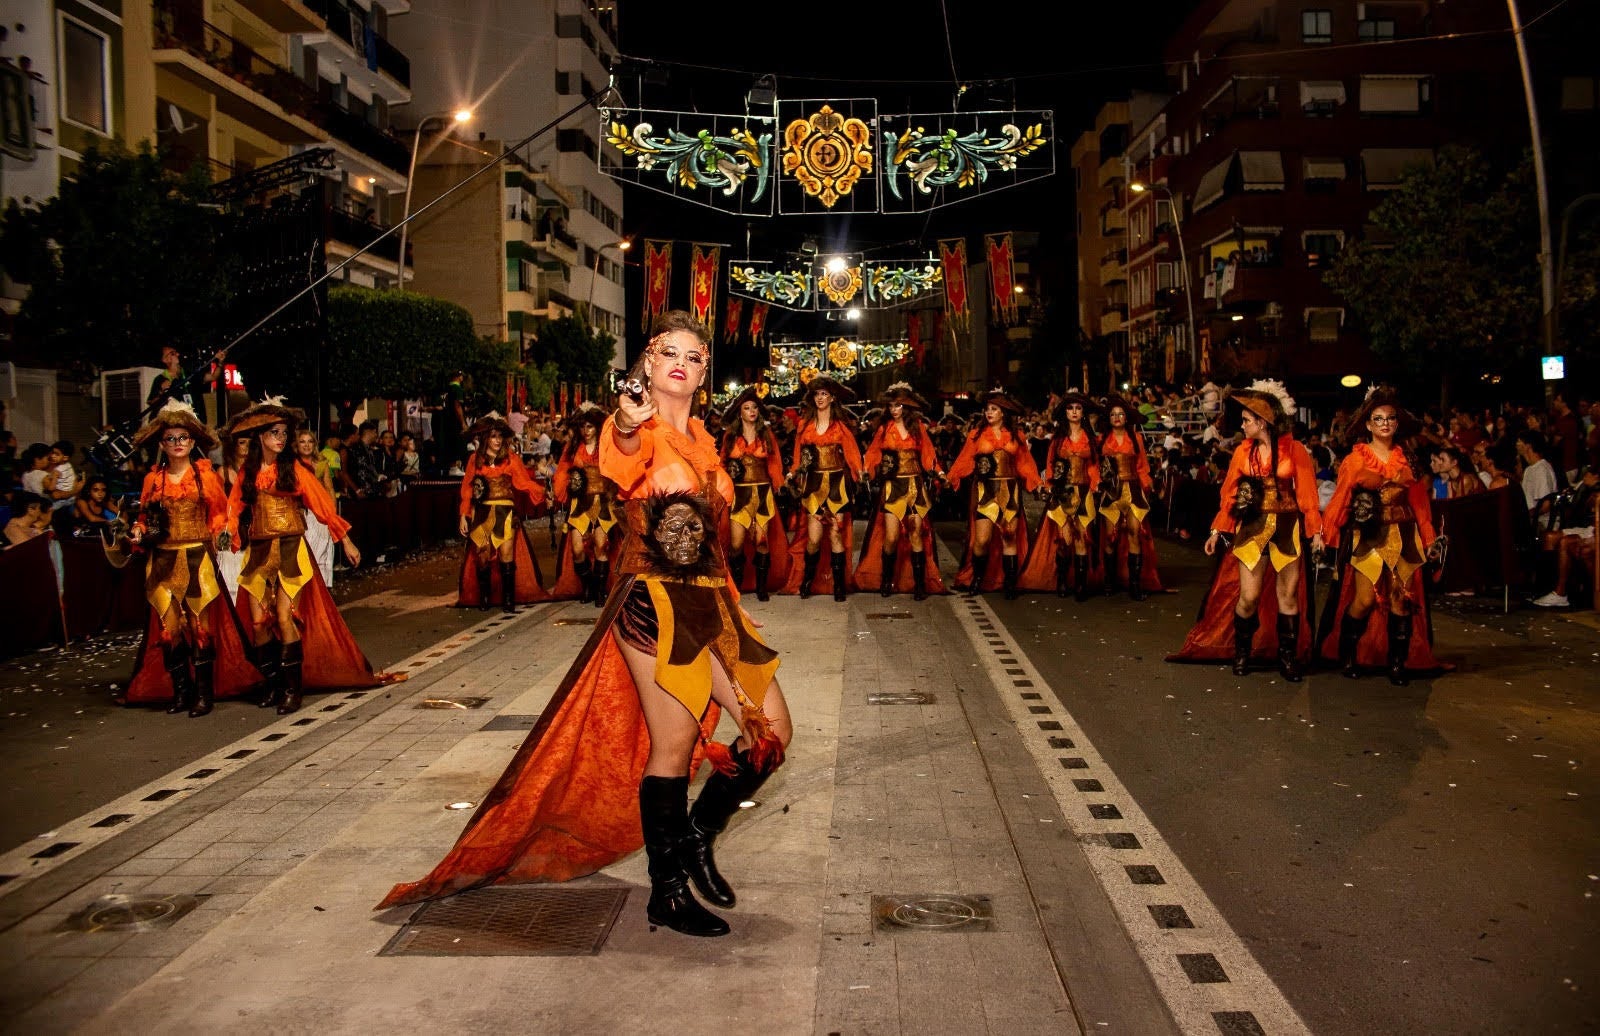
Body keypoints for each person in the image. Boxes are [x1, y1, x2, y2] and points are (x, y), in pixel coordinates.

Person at [377, 311, 793, 939]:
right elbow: (621, 456)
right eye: (669, 352)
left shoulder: (707, 441)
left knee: (774, 731)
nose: (682, 363)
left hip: (711, 601)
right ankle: (667, 891)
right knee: (675, 745)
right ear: (648, 363)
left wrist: (733, 603)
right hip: (652, 602)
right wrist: (624, 418)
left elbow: (710, 543)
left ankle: (697, 835)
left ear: (705, 371)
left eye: (694, 356)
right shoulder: (637, 428)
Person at [224, 398, 395, 714]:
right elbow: (234, 509)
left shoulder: (295, 470)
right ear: (261, 435)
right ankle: (273, 684)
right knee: (259, 623)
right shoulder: (248, 472)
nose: (281, 438)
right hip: (259, 553)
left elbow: (322, 506)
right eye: (274, 432)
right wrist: (227, 532)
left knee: (285, 616)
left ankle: (293, 689)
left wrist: (346, 542)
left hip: (291, 549)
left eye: (284, 433)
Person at [1169, 381, 1321, 680]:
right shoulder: (1242, 452)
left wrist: (1316, 532)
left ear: (1262, 422)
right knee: (1248, 597)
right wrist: (1217, 531)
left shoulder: (1295, 450)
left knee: (1288, 596)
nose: (1242, 425)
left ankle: (1287, 658)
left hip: (1287, 528)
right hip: (1252, 527)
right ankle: (1242, 652)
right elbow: (1229, 494)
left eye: (1246, 420)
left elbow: (1308, 495)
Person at [121, 401, 260, 716]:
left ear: (192, 441)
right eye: (170, 438)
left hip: (197, 557)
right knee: (170, 628)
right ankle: (181, 692)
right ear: (162, 444)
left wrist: (222, 533)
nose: (177, 443)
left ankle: (203, 694)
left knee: (199, 626)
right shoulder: (153, 480)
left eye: (182, 437)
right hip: (162, 561)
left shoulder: (205, 476)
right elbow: (144, 517)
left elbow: (221, 514)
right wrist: (138, 530)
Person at [1316, 386, 1448, 685]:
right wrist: (1323, 535)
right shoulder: (1355, 460)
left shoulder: (1408, 459)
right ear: (1368, 424)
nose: (1385, 423)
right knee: (1364, 600)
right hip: (1369, 535)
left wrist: (1430, 541)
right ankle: (1347, 655)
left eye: (1390, 418)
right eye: (1378, 418)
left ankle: (1397, 664)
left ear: (1397, 423)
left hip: (1405, 535)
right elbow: (1340, 500)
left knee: (1400, 600)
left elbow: (1420, 506)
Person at [854, 382, 947, 600]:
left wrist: (939, 472)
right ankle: (886, 580)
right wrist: (866, 470)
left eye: (899, 405)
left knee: (916, 533)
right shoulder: (884, 429)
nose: (894, 409)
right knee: (891, 537)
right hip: (892, 487)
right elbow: (873, 454)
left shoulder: (918, 428)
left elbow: (928, 454)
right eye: (891, 405)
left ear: (907, 406)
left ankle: (919, 585)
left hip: (915, 485)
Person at [947, 390, 1041, 599]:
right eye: (987, 409)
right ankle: (977, 580)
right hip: (986, 491)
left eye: (994, 409)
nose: (989, 412)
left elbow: (1025, 463)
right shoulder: (976, 434)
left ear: (1003, 413)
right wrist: (951, 476)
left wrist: (1037, 482)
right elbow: (965, 459)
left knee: (1009, 536)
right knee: (982, 540)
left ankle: (1009, 584)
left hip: (1010, 490)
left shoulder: (1017, 436)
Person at [456, 412, 549, 613]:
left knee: (506, 554)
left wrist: (544, 492)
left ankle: (508, 599)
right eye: (493, 436)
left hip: (505, 512)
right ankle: (485, 596)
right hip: (482, 512)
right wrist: (464, 515)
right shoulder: (475, 459)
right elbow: (467, 489)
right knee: (482, 554)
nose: (497, 440)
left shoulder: (511, 459)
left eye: (500, 436)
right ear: (485, 438)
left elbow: (523, 482)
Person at [784, 376, 862, 601]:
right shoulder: (805, 426)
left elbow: (853, 455)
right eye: (817, 394)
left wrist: (860, 474)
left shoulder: (840, 427)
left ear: (832, 398)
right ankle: (807, 581)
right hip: (813, 485)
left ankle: (838, 587)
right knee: (814, 539)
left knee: (836, 533)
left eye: (824, 394)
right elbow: (798, 456)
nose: (820, 398)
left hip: (837, 484)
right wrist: (793, 473)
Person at [1018, 392, 1102, 600]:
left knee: (1082, 538)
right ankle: (1062, 581)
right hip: (1061, 493)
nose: (1074, 412)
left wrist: (1096, 485)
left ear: (1083, 412)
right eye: (1070, 408)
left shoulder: (1091, 439)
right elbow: (1049, 464)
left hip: (1083, 492)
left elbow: (1094, 467)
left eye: (1078, 408)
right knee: (1064, 539)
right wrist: (1047, 485)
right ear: (1065, 412)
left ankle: (1081, 586)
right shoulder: (1057, 440)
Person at [719, 387, 790, 601]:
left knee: (762, 542)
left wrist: (779, 485)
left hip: (762, 494)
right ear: (739, 413)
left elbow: (774, 463)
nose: (752, 411)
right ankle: (737, 586)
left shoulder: (765, 435)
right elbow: (722, 464)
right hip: (739, 495)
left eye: (754, 408)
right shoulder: (730, 436)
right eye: (747, 408)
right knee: (736, 545)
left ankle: (761, 588)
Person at [549, 403, 619, 605]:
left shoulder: (606, 447)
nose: (586, 431)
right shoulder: (572, 448)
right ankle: (588, 585)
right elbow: (562, 472)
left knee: (600, 545)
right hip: (579, 503)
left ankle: (600, 592)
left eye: (590, 426)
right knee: (577, 549)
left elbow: (617, 470)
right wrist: (557, 492)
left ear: (596, 427)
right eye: (582, 426)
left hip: (603, 501)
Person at [1097, 395, 1163, 600]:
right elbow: (1097, 468)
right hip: (1111, 493)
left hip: (1133, 490)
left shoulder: (1137, 438)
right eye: (1113, 414)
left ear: (1126, 418)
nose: (1117, 417)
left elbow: (1142, 466)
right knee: (1110, 537)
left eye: (1121, 414)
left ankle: (1135, 585)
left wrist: (1148, 486)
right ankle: (1109, 581)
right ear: (1109, 418)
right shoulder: (1101, 440)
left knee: (1135, 534)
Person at [1531, 468, 1599, 608]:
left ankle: (1561, 592)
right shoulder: (1584, 488)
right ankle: (1550, 589)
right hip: (1588, 527)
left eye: (1588, 474)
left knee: (1571, 544)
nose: (1585, 476)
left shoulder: (1595, 490)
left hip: (1592, 529)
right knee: (1551, 537)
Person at [294, 429, 336, 587]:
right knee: (304, 555)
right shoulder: (292, 465)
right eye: (302, 442)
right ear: (297, 445)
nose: (306, 445)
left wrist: (332, 515)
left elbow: (329, 489)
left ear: (315, 444)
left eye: (310, 441)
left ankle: (321, 590)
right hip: (300, 514)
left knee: (321, 553)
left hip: (320, 514)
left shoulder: (322, 463)